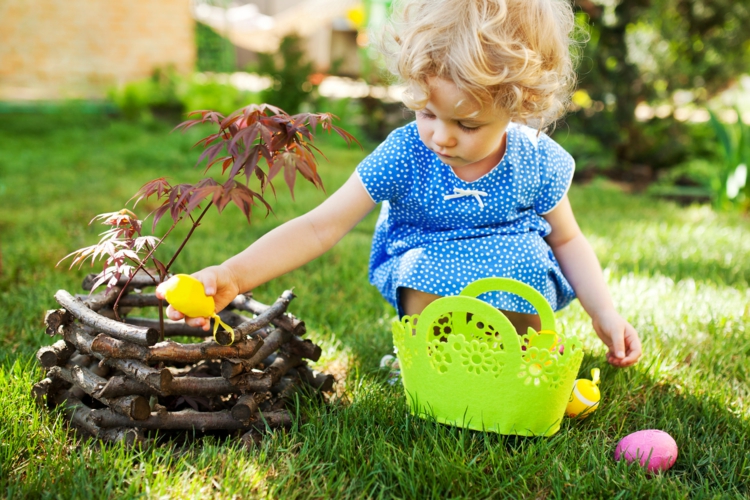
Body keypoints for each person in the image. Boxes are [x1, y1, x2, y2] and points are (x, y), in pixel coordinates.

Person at [156, 0, 642, 367]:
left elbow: (567, 238)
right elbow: (320, 227)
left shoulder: (534, 160)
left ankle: (521, 360)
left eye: (467, 125)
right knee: (428, 270)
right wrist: (235, 276)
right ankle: (429, 359)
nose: (441, 136)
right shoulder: (407, 152)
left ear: (518, 107)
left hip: (510, 267)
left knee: (531, 260)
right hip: (430, 263)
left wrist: (605, 313)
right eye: (427, 112)